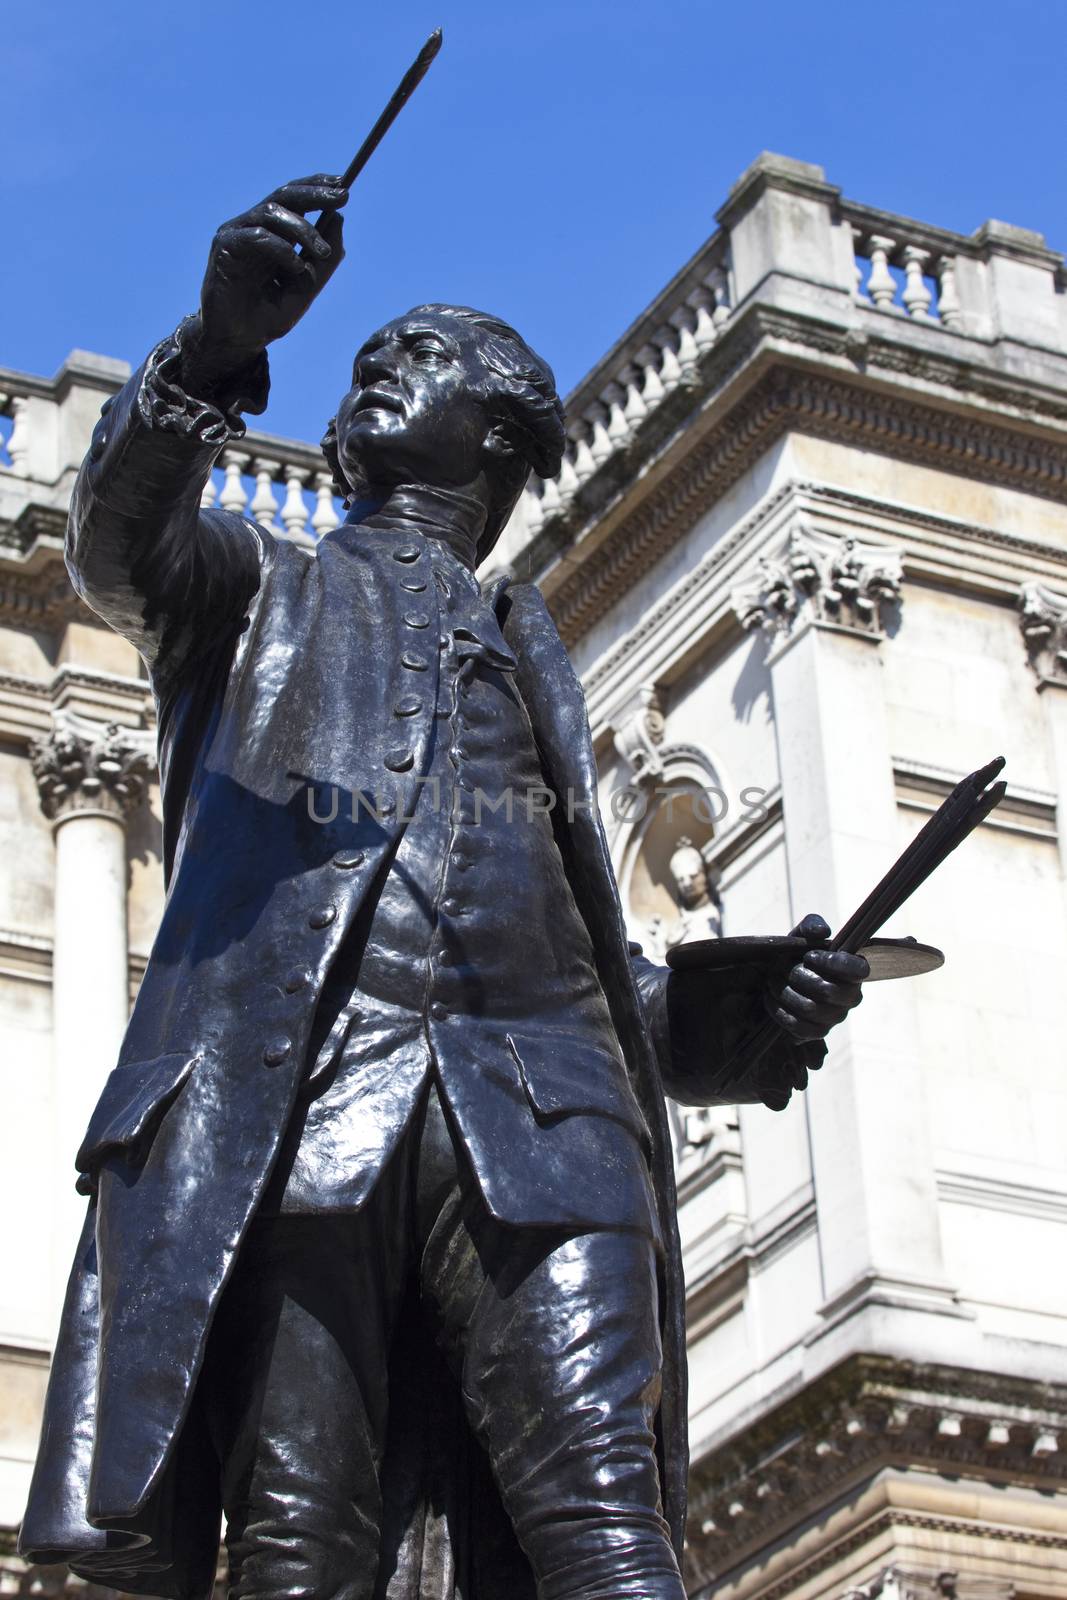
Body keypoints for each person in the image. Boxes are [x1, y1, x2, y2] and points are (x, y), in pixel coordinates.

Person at [19, 178, 867, 1600]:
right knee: (302, 1547)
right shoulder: (248, 591)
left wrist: (739, 1016)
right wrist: (219, 346)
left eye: (406, 366)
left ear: (493, 431)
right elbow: (116, 543)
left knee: (610, 1527)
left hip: (544, 1124)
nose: (366, 384)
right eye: (359, 367)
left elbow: (563, 947)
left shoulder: (536, 653)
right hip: (297, 1113)